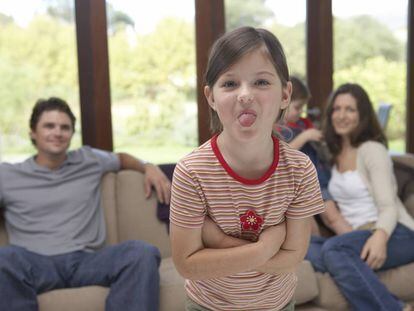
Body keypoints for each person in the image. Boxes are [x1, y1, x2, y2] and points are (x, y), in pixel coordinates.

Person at [170, 26, 325, 311]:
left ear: (285, 94)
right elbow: (187, 265)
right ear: (211, 97)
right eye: (229, 84)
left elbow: (292, 257)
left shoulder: (300, 170)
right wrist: (264, 247)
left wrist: (217, 241)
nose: (245, 94)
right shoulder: (191, 172)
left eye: (262, 82)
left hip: (278, 305)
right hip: (208, 306)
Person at [0, 97, 171, 311]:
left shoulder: (89, 159)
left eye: (65, 127)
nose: (58, 132)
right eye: (49, 126)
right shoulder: (7, 175)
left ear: (71, 134)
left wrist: (148, 166)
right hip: (34, 263)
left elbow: (122, 159)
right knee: (3, 259)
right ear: (33, 132)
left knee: (142, 252)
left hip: (88, 260)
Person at [305, 83, 414, 311]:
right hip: (355, 238)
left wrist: (380, 237)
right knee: (304, 246)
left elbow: (388, 206)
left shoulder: (372, 149)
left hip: (395, 232)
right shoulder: (331, 155)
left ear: (362, 115)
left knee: (334, 250)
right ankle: (353, 268)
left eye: (350, 110)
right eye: (337, 109)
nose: (341, 115)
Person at [275, 76, 332, 202]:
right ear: (284, 101)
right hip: (305, 184)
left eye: (302, 107)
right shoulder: (277, 129)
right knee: (331, 216)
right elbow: (282, 153)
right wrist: (305, 136)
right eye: (297, 107)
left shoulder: (303, 123)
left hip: (320, 177)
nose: (301, 112)